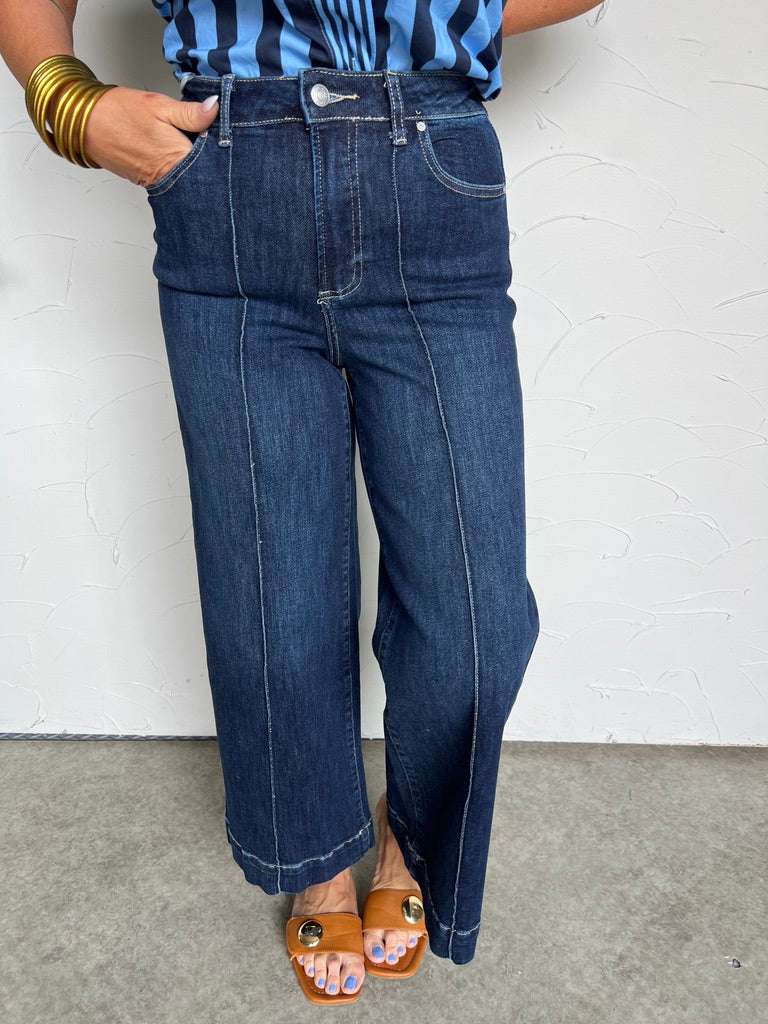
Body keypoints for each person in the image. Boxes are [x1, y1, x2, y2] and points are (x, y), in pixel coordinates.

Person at [2, 0, 602, 1005]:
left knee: (477, 625)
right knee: (270, 605)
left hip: (434, 172)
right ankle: (322, 856)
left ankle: (407, 836)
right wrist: (64, 98)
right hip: (229, 176)